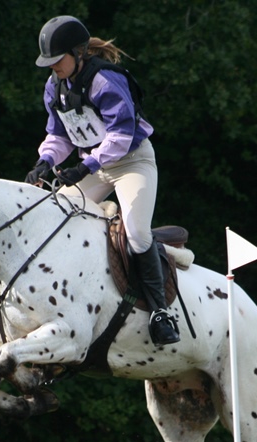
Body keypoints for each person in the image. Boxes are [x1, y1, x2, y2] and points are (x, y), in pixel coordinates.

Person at [25, 15, 180, 347]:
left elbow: (121, 136)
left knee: (137, 233)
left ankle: (160, 312)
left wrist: (85, 168)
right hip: (95, 166)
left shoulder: (105, 81)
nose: (53, 67)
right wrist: (44, 162)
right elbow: (59, 136)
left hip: (132, 162)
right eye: (49, 63)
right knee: (55, 215)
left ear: (79, 52)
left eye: (58, 60)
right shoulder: (55, 87)